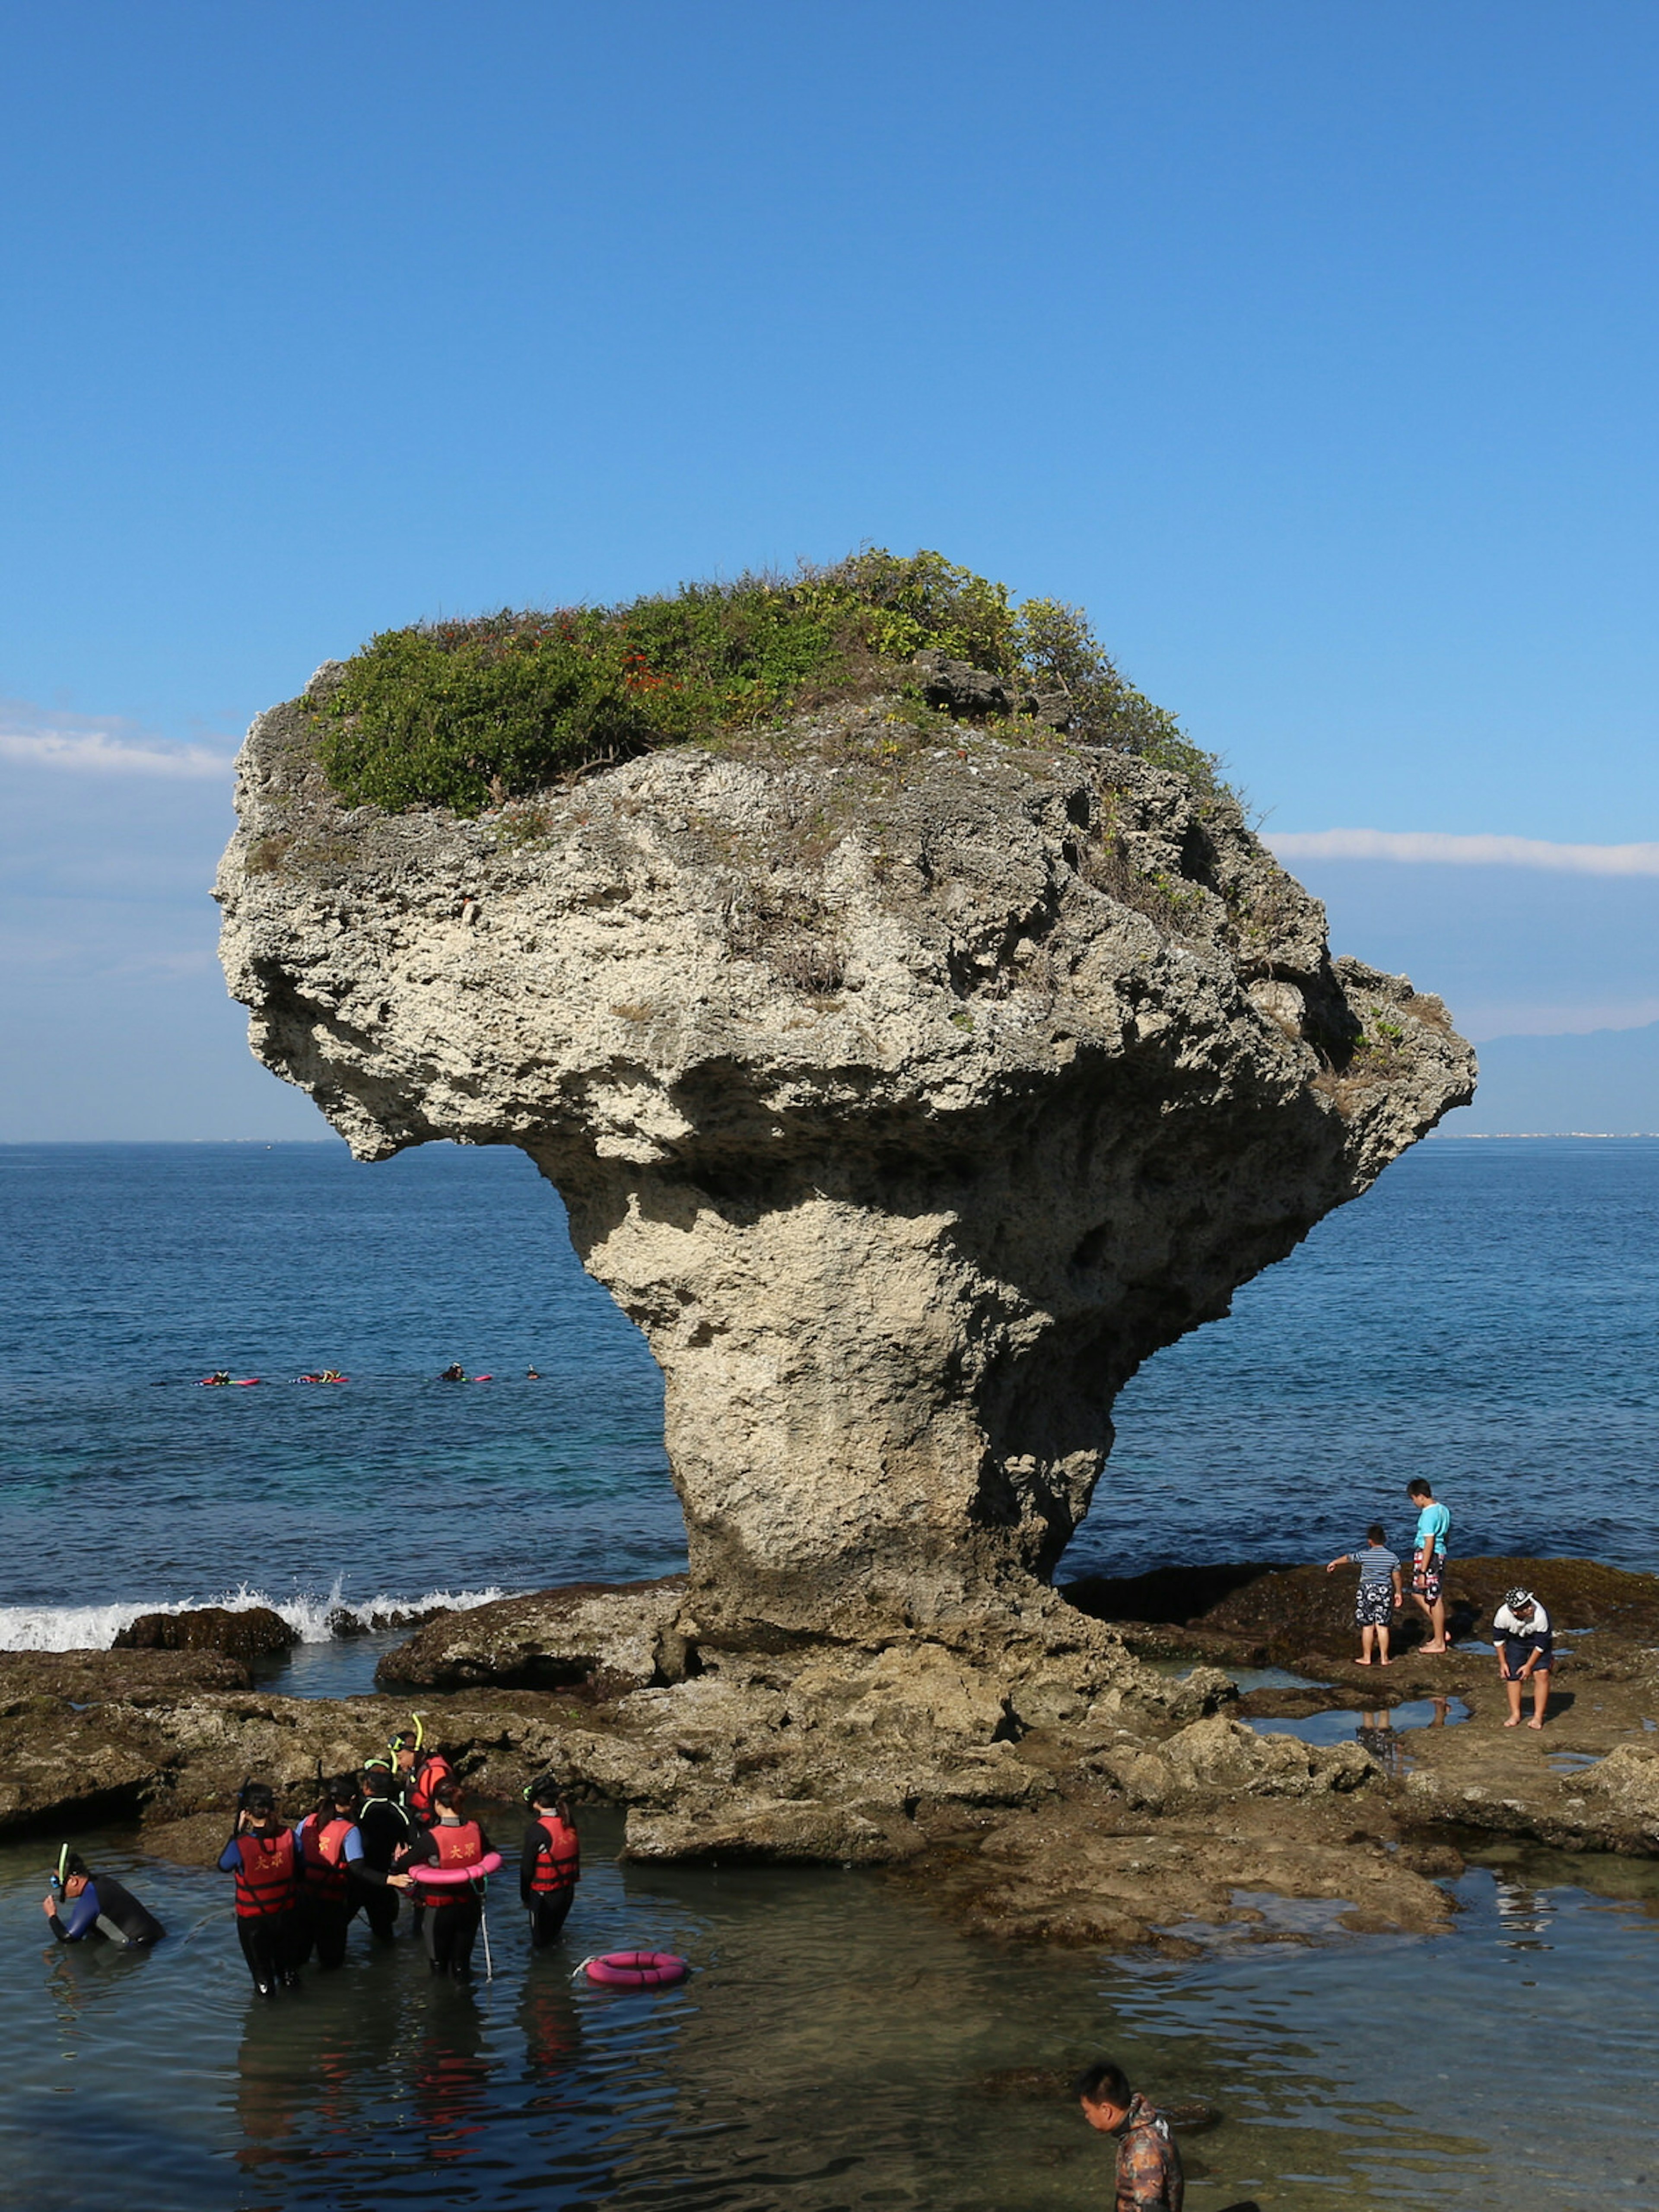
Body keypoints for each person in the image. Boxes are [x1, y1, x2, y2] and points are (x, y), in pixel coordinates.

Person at [391, 1778, 495, 1981]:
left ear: (438, 1806)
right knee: (462, 1964)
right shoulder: (476, 1829)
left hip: (441, 1908)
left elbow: (403, 1865)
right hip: (470, 1905)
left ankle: (443, 2006)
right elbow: (491, 1853)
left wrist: (400, 1858)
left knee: (439, 1965)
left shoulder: (432, 1837)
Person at [219, 1783, 301, 1995]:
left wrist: (237, 1831)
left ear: (247, 1813)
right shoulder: (290, 1837)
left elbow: (223, 1866)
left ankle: (267, 2019)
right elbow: (303, 1866)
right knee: (289, 1974)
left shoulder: (240, 1844)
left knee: (263, 1979)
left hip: (253, 1923)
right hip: (287, 1916)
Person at [1074, 2060, 1186, 2212]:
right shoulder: (1148, 2122)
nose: (1087, 2117)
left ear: (1106, 2110)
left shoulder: (1143, 2149)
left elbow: (1152, 2208)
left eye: (1088, 2111)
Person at [293, 1775, 371, 1968]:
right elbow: (358, 1868)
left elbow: (292, 1852)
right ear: (353, 1800)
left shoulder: (307, 1822)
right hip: (331, 1906)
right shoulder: (350, 1831)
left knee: (300, 1960)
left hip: (302, 1902)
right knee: (331, 1964)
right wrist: (389, 1880)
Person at [41, 1850, 164, 1947]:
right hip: (157, 1935)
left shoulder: (90, 1897)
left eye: (57, 1882)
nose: (56, 1887)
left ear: (73, 1881)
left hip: (139, 1947)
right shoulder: (102, 1881)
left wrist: (52, 1916)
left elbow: (68, 1938)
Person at [1325, 1523, 1403, 1665]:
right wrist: (1398, 1592)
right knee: (1383, 1626)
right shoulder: (1393, 1557)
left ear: (1370, 1541)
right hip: (1384, 1591)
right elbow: (1397, 1577)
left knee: (1367, 1626)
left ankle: (1367, 1657)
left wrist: (1334, 1563)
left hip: (1367, 1590)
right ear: (1384, 1540)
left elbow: (1349, 1558)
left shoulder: (1365, 1555)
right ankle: (1385, 1658)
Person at [356, 1756, 414, 1940]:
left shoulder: (361, 1810)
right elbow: (414, 1845)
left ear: (367, 1788)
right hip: (387, 1877)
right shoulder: (402, 1812)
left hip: (358, 1876)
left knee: (338, 1927)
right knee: (384, 1934)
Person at [520, 1776, 581, 1947]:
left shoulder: (537, 1830)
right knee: (555, 1937)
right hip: (567, 1892)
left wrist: (525, 1898)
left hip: (544, 1897)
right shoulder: (569, 1822)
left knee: (540, 1945)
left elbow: (527, 1870)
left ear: (537, 1802)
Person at [1493, 1587, 1554, 1729]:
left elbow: (1541, 1646)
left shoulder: (1540, 1615)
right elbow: (1498, 1640)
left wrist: (1529, 1666)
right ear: (1515, 1611)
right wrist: (1503, 1663)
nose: (1530, 1608)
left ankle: (1538, 1717)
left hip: (1538, 1639)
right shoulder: (1502, 1616)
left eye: (1529, 1603)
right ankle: (1515, 1714)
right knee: (1512, 1675)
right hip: (1515, 1640)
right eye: (1525, 1607)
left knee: (1542, 1674)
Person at [1405, 1478, 1452, 1652]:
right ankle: (1440, 1633)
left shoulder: (1427, 1515)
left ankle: (1440, 1642)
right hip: (1439, 1554)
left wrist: (1423, 1570)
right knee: (1420, 1594)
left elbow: (1429, 1541)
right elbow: (1446, 1535)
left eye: (1413, 1499)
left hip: (1428, 1555)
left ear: (1420, 1496)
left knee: (1434, 1598)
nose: (1414, 1503)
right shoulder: (1443, 1510)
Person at [391, 1723, 453, 1826]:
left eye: (400, 1758)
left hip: (435, 1830)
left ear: (414, 1753)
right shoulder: (415, 1770)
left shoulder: (434, 1773)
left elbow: (450, 1808)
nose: (398, 1763)